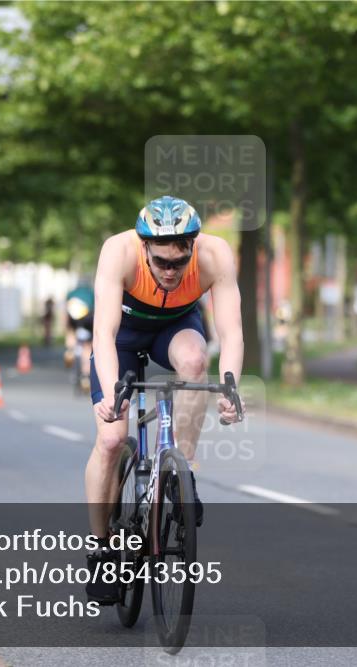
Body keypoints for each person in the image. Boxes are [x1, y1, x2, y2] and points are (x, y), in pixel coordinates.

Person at [85, 196, 244, 602]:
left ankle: (181, 473)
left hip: (174, 327)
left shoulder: (214, 255)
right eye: (161, 263)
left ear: (193, 245)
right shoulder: (118, 252)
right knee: (110, 440)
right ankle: (102, 547)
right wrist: (110, 393)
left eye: (179, 262)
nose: (171, 272)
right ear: (144, 249)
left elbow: (230, 332)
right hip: (121, 336)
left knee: (194, 360)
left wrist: (230, 388)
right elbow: (102, 333)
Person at [64, 281, 95, 393]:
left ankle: (70, 350)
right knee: (87, 347)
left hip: (73, 314)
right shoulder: (91, 293)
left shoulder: (71, 293)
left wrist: (67, 328)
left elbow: (66, 314)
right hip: (88, 317)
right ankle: (86, 377)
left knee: (71, 331)